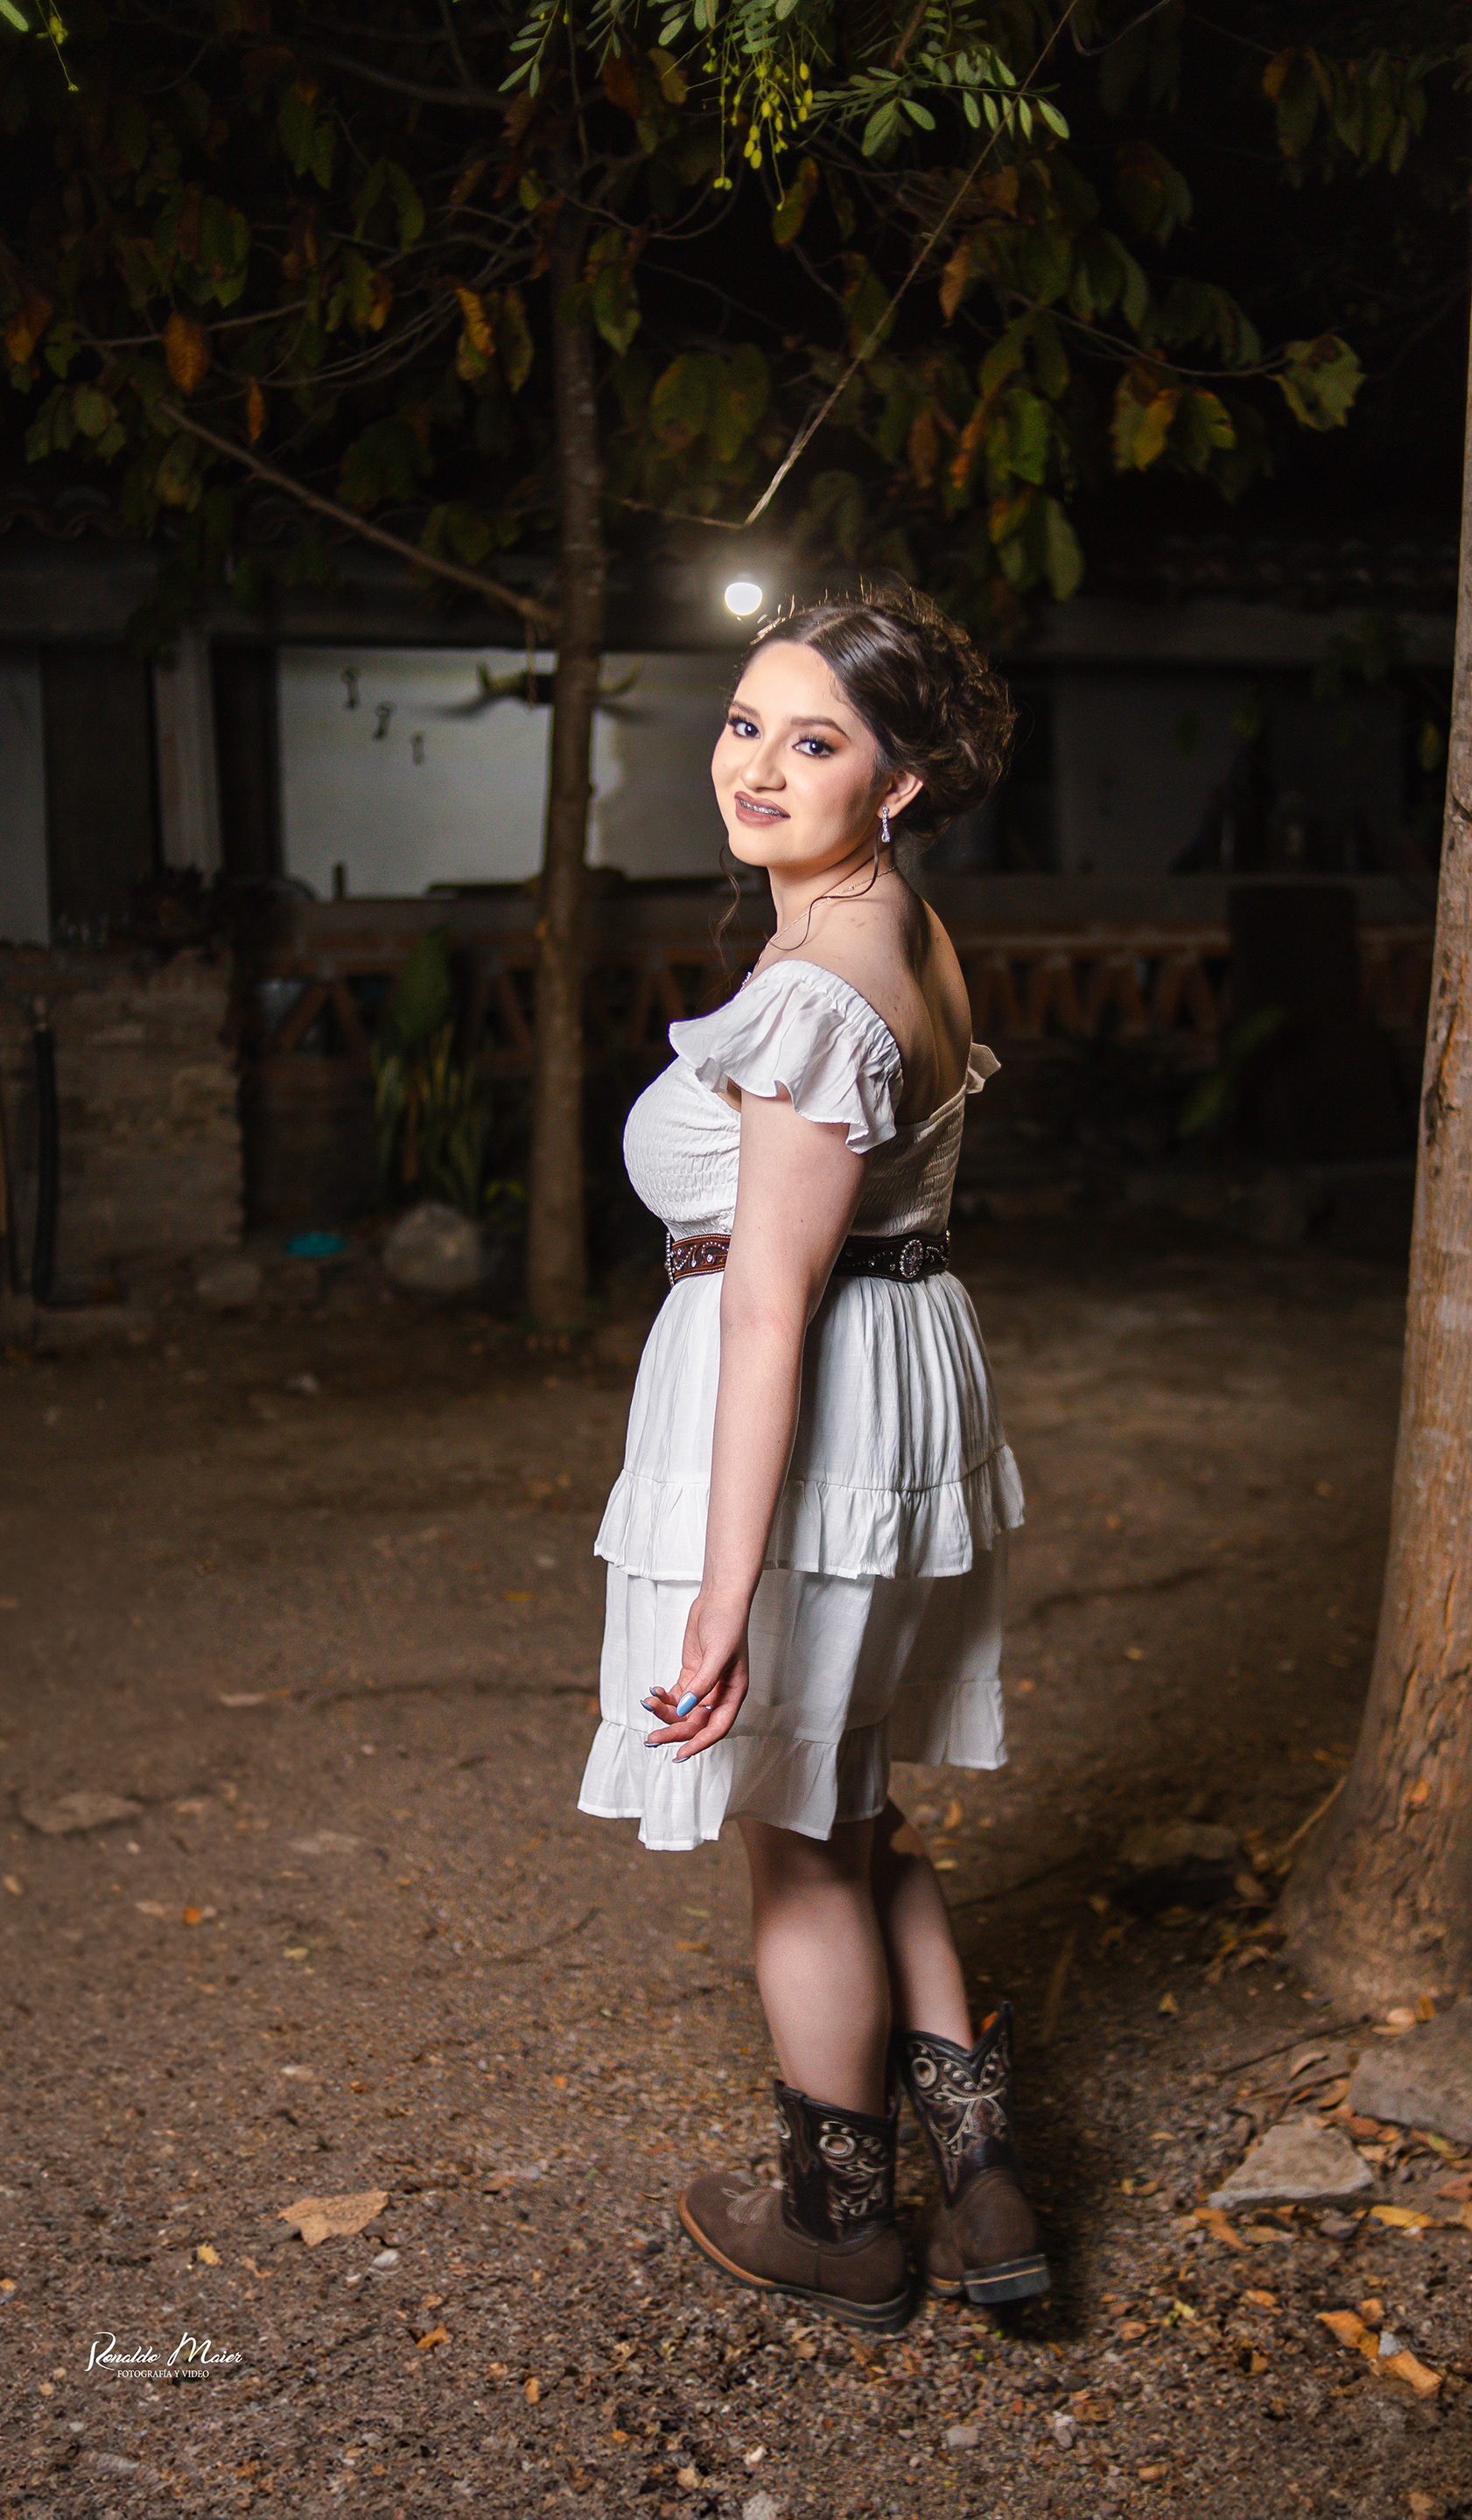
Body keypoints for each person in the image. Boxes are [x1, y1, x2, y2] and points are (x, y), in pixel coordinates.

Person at [578, 587, 1046, 2332]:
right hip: (899, 1366)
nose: (757, 767)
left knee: (793, 1832)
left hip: (820, 1398)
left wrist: (719, 1598)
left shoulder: (820, 991)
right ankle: (984, 2176)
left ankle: (839, 2224)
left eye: (816, 740)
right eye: (742, 724)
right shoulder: (894, 925)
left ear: (899, 782)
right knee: (848, 1803)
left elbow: (770, 1307)